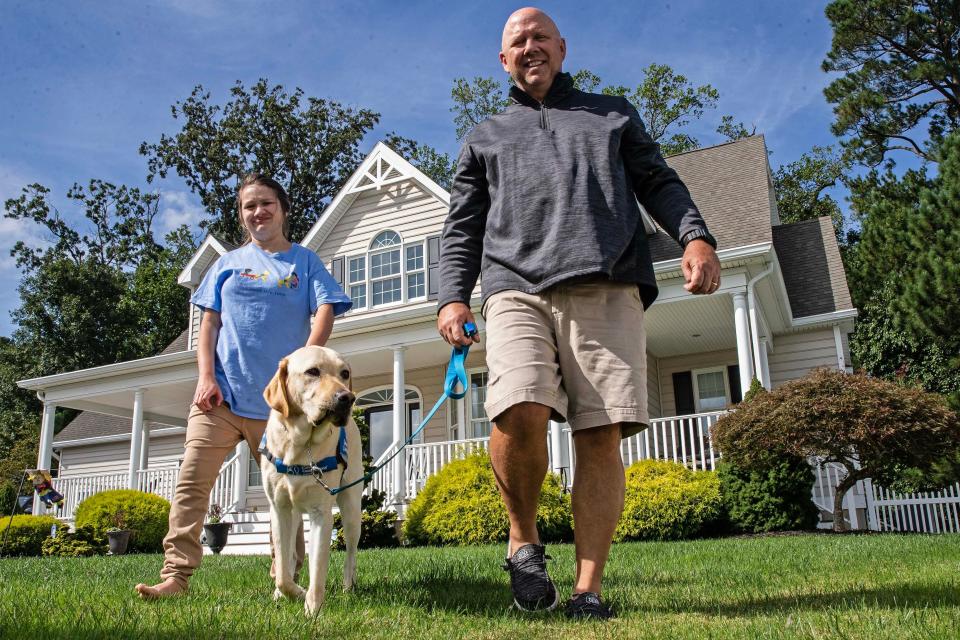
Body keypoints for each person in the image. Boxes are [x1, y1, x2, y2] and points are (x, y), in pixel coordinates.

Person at [436, 7, 721, 620]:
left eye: (540, 37)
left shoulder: (612, 113)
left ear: (562, 48)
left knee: (598, 434)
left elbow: (659, 181)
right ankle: (524, 542)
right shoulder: (484, 135)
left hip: (606, 282)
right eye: (518, 41)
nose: (530, 47)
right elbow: (461, 227)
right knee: (519, 407)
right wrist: (453, 296)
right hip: (515, 286)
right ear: (503, 59)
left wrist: (695, 236)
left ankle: (588, 591)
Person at [136, 174, 351, 599]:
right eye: (249, 206)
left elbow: (327, 305)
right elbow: (209, 323)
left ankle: (285, 577)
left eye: (266, 203)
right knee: (192, 483)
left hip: (280, 408)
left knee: (292, 489)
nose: (258, 212)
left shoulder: (303, 262)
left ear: (283, 209)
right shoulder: (226, 264)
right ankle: (176, 577)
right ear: (242, 215)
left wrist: (305, 360)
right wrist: (205, 377)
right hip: (222, 396)